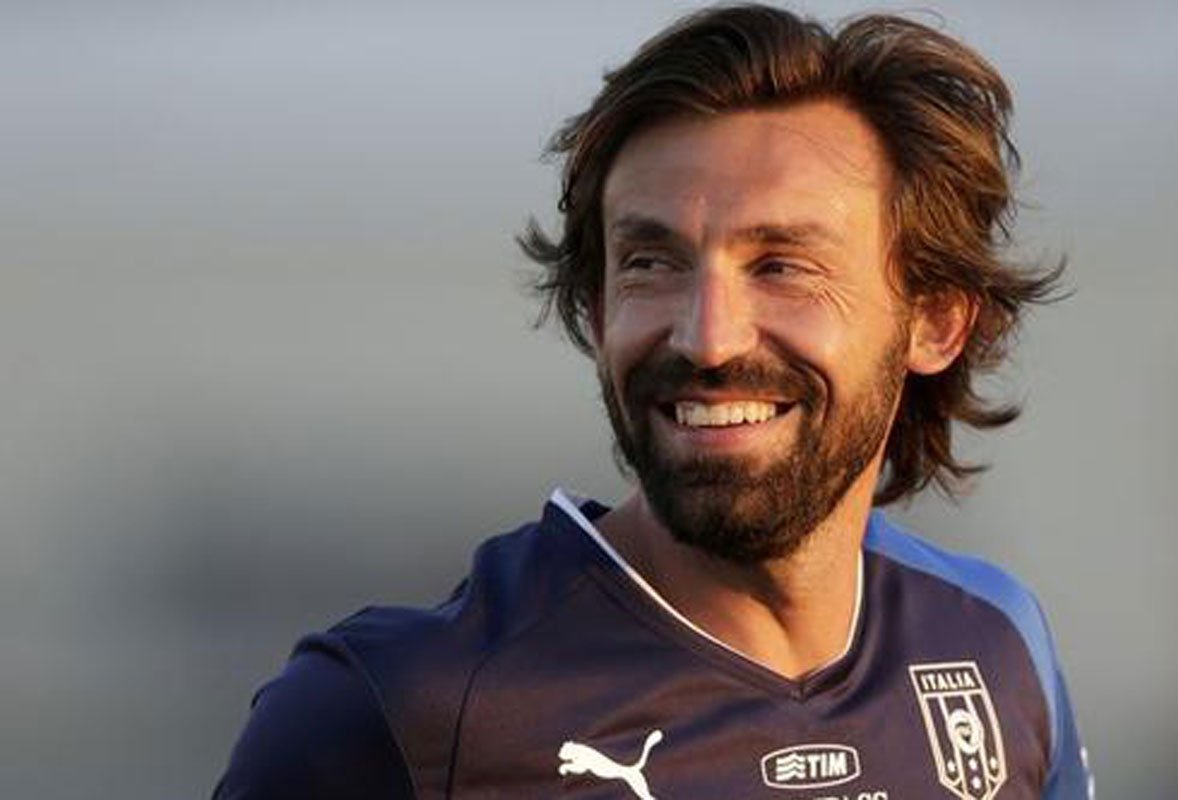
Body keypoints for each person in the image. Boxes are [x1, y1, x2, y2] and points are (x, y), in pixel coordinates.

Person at [214, 5, 1093, 798]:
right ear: (595, 311)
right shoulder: (393, 713)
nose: (708, 339)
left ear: (934, 321)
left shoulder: (994, 645)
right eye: (651, 263)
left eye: (782, 266)